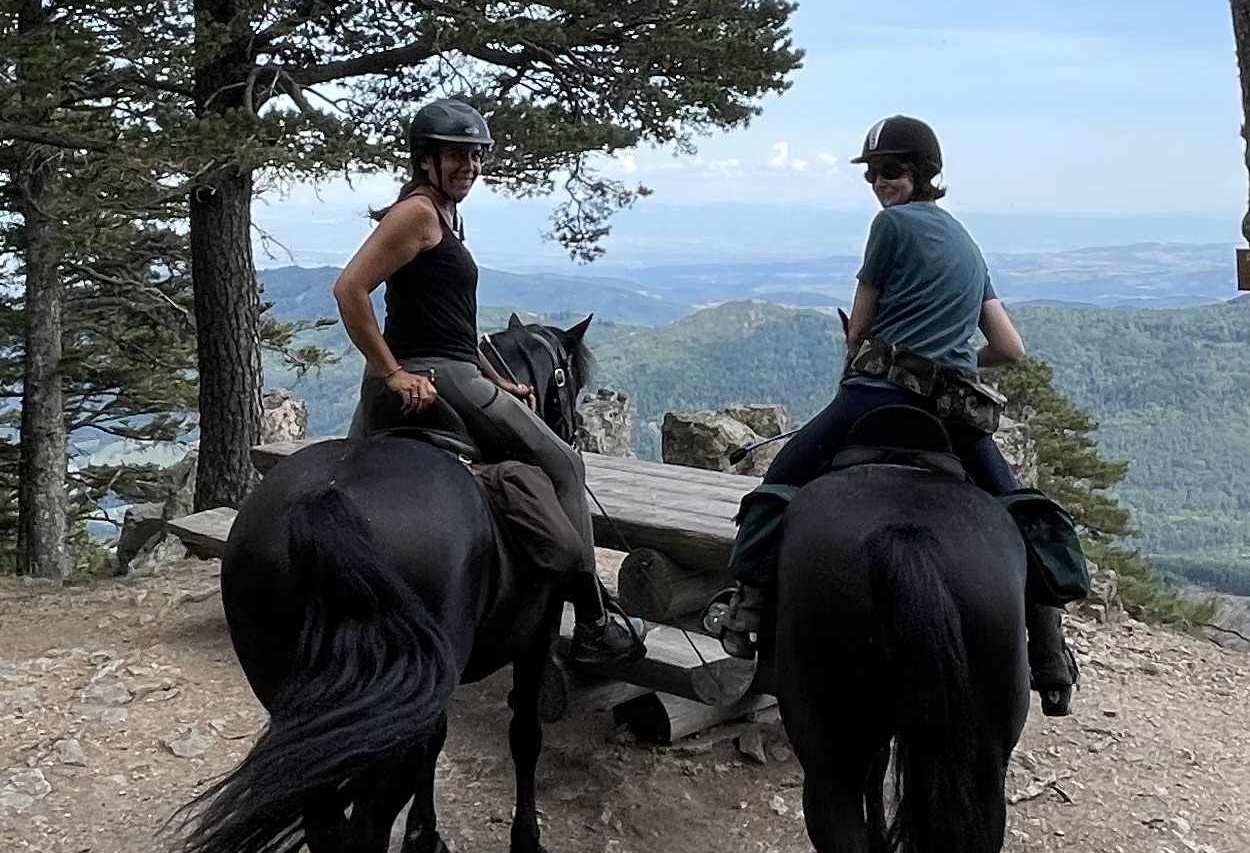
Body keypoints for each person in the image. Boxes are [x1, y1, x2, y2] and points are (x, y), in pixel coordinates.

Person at [703, 115, 1082, 711]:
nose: (882, 182)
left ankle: (747, 610)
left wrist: (875, 354)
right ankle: (1050, 656)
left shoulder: (889, 226)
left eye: (893, 170)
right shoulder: (968, 242)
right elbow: (1011, 349)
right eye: (874, 174)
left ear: (921, 173)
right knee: (1018, 513)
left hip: (874, 397)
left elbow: (858, 329)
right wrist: (952, 361)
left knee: (777, 486)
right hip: (956, 412)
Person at [334, 96, 646, 671]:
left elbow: (452, 324)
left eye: (476, 157)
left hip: (452, 367)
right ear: (425, 159)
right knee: (567, 466)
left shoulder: (446, 214)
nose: (469, 167)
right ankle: (594, 619)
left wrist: (501, 379)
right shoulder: (418, 214)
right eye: (456, 156)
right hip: (431, 376)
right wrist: (395, 372)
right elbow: (349, 290)